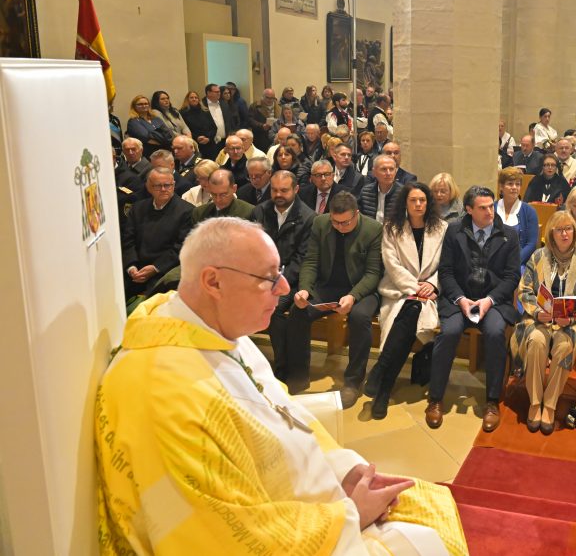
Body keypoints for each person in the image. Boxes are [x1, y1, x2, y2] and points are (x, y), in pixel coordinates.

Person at [96, 218, 467, 554]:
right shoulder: (161, 395)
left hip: (316, 498)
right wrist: (348, 515)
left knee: (432, 506)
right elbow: (224, 537)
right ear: (213, 281)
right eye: (268, 278)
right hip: (301, 531)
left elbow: (286, 410)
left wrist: (345, 469)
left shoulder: (218, 331)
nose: (285, 287)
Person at [428, 186, 521, 432]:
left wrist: (489, 300)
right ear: (469, 210)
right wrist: (460, 299)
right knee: (448, 333)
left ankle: (492, 401)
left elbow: (512, 277)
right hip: (460, 300)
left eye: (491, 206)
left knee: (494, 334)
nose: (489, 211)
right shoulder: (454, 230)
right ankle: (435, 398)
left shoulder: (509, 235)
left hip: (493, 302)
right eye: (482, 207)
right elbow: (446, 271)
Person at [289, 192, 383, 401]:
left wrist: (353, 296)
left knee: (359, 317)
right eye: (335, 222)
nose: (340, 226)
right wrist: (304, 289)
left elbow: (373, 273)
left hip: (362, 289)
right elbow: (311, 260)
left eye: (345, 222)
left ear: (356, 214)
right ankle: (298, 375)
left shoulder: (373, 229)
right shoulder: (320, 223)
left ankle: (353, 381)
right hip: (328, 286)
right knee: (299, 311)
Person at [511, 211, 576, 434]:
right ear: (551, 233)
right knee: (537, 341)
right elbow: (525, 290)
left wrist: (572, 315)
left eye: (568, 228)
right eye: (559, 229)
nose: (564, 233)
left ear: (574, 232)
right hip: (538, 319)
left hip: (571, 323)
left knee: (564, 346)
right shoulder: (538, 257)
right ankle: (534, 402)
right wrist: (536, 311)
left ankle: (549, 404)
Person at [369, 183, 448, 419]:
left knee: (406, 322)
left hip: (429, 292)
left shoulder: (442, 228)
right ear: (405, 202)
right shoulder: (392, 228)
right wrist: (414, 289)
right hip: (399, 290)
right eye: (413, 200)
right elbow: (391, 265)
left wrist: (432, 285)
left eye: (422, 200)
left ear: (428, 203)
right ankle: (383, 385)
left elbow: (446, 264)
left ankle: (383, 381)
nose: (418, 205)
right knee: (403, 316)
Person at [252, 169, 316, 380]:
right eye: (275, 190)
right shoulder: (260, 211)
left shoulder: (308, 217)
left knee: (276, 308)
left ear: (296, 189)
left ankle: (283, 369)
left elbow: (302, 257)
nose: (278, 194)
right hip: (262, 276)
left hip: (290, 279)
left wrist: (278, 281)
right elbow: (253, 248)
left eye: (284, 190)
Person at [121, 168, 194, 298]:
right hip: (135, 269)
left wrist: (155, 268)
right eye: (158, 186)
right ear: (148, 187)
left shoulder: (187, 212)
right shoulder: (138, 208)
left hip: (164, 270)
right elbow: (128, 241)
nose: (163, 189)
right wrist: (131, 266)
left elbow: (180, 248)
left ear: (174, 185)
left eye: (167, 185)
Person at [496, 166, 539, 268]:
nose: (514, 187)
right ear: (501, 186)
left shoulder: (529, 211)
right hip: (494, 261)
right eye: (510, 184)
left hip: (518, 263)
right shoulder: (492, 208)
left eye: (518, 184)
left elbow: (531, 244)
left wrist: (513, 262)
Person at [359, 155, 400, 223]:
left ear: (395, 171)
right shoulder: (365, 192)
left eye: (391, 169)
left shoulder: (403, 193)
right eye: (384, 169)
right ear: (374, 172)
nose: (388, 173)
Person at [180, 91, 219, 159]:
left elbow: (214, 127)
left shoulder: (205, 111)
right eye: (191, 97)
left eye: (196, 97)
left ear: (199, 99)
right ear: (187, 99)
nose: (194, 99)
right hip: (195, 145)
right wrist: (197, 138)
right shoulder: (183, 113)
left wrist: (208, 138)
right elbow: (184, 130)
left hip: (209, 144)